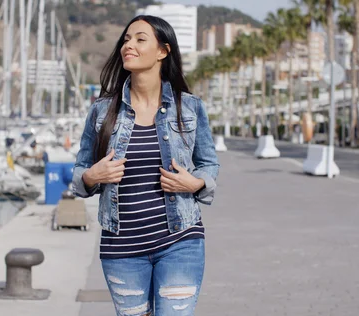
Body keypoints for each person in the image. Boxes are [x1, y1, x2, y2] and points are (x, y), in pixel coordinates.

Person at [72, 15, 219, 316]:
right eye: (126, 39)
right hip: (121, 248)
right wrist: (91, 176)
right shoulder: (101, 111)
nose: (129, 45)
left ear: (163, 51)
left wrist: (196, 183)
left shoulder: (189, 107)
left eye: (140, 39)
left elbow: (208, 164)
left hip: (180, 240)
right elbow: (80, 174)